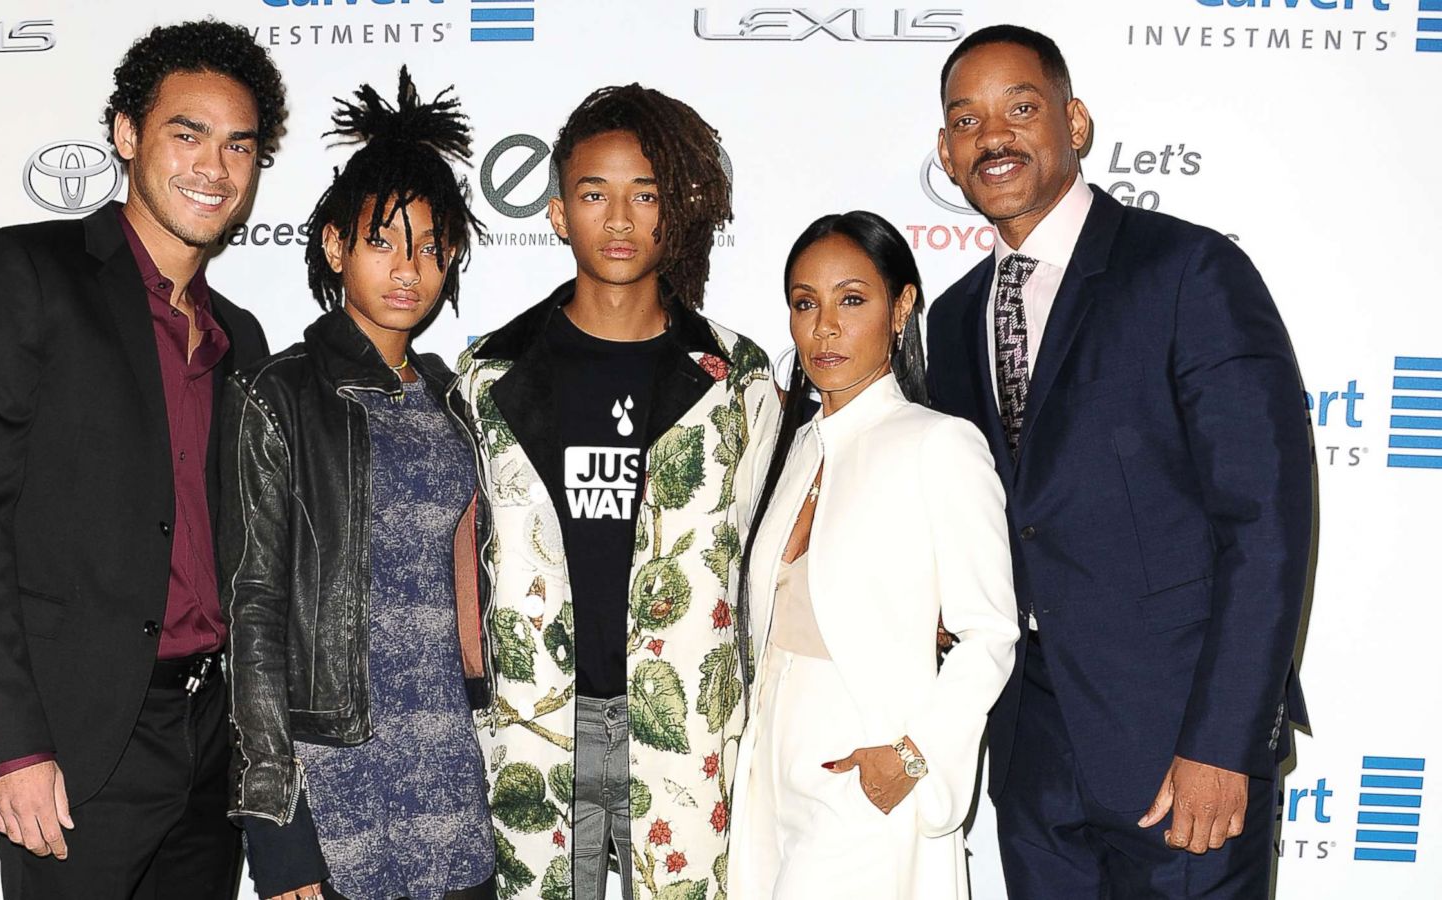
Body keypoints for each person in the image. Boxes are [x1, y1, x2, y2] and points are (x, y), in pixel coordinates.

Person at [924, 25, 1313, 899]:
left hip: (1183, 754)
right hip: (1031, 766)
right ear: (946, 155)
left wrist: (1223, 743)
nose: (995, 137)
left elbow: (1266, 522)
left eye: (1020, 108)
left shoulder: (1188, 271)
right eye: (966, 120)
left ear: (1077, 122)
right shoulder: (952, 322)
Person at [0, 20, 282, 899]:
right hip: (76, 739)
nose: (213, 168)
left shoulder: (245, 339)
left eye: (239, 146)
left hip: (211, 743)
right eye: (185, 134)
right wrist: (10, 745)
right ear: (126, 134)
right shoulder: (24, 272)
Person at [453, 84, 778, 899]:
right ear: (560, 212)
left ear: (676, 210)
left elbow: (773, 555)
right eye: (596, 194)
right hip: (532, 728)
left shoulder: (735, 377)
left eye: (647, 194)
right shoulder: (491, 373)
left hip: (688, 740)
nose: (622, 219)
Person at [220, 68, 496, 900]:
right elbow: (254, 610)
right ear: (336, 246)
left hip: (451, 775)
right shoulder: (283, 395)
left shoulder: (455, 396)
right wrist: (278, 833)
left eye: (430, 245)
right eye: (383, 240)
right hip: (335, 793)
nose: (409, 268)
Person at [724, 211, 1018, 899]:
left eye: (851, 299)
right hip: (768, 767)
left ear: (900, 307)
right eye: (805, 303)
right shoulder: (790, 449)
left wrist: (915, 757)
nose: (824, 327)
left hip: (865, 768)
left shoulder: (938, 444)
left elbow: (991, 631)